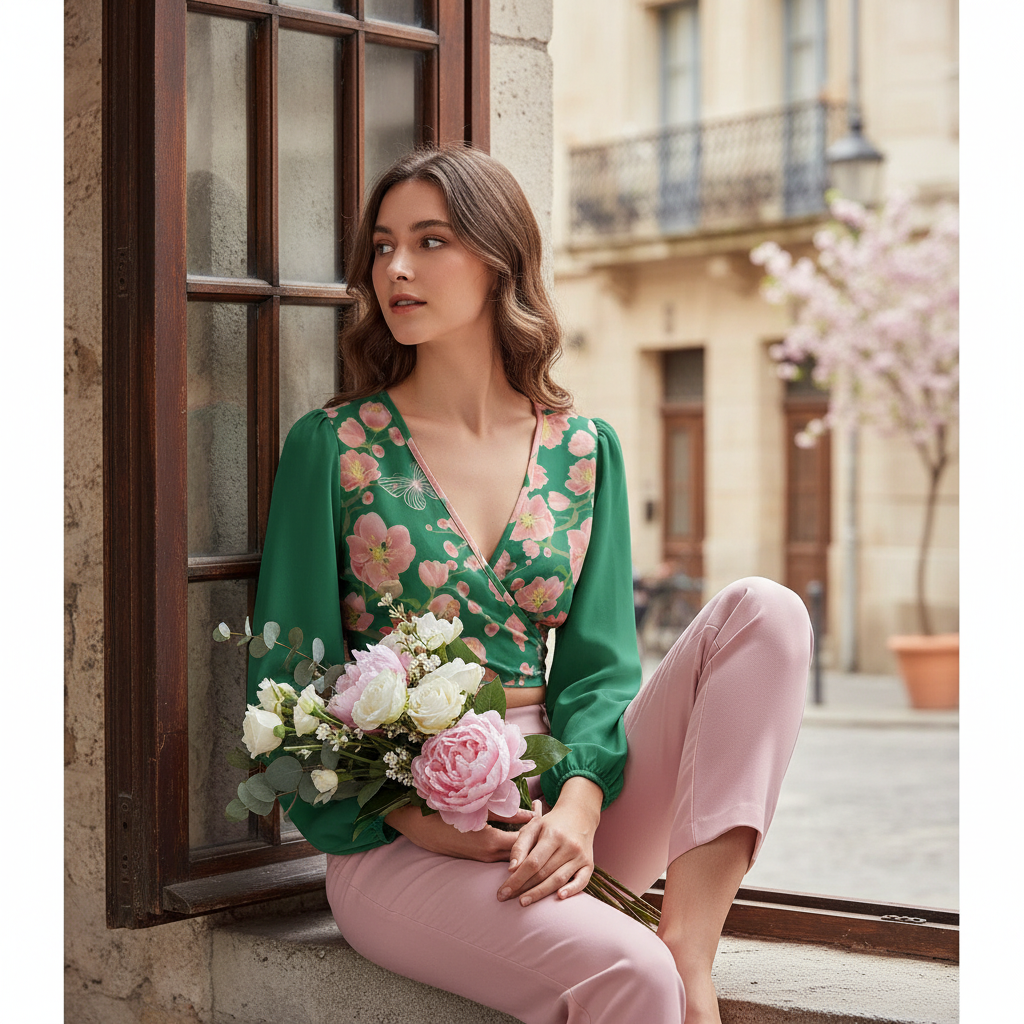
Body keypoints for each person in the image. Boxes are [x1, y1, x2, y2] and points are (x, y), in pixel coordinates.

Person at [248, 145, 811, 1024]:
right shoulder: (335, 447)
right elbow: (285, 688)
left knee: (766, 613)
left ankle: (690, 945)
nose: (396, 268)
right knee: (629, 976)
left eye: (430, 241)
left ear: (498, 259)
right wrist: (420, 821)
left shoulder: (584, 449)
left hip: (565, 808)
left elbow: (599, 672)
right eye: (383, 246)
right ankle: (653, 963)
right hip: (400, 842)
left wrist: (580, 806)